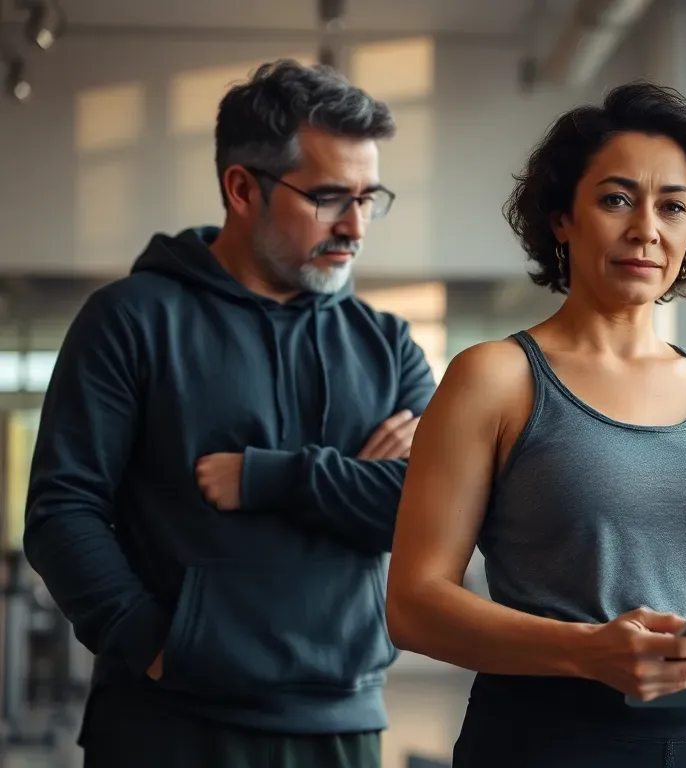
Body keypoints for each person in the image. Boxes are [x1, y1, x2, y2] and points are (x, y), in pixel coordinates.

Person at [385, 81, 686, 767]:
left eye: (673, 206)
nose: (647, 229)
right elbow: (414, 605)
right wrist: (587, 652)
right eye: (616, 199)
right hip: (549, 744)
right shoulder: (493, 378)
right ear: (562, 218)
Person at [22, 59, 437, 768]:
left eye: (371, 197)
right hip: (167, 720)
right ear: (242, 187)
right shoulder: (131, 320)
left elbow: (432, 510)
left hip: (343, 721)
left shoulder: (388, 343)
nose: (357, 226)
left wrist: (289, 479)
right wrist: (151, 642)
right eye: (331, 197)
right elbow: (63, 510)